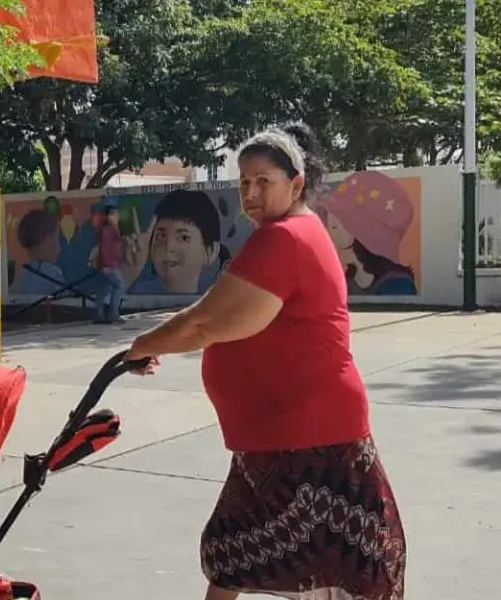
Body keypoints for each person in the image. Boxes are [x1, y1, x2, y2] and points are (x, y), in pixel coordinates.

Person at [123, 123, 406, 600]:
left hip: (309, 442)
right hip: (281, 438)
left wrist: (140, 345)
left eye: (263, 182)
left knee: (304, 566)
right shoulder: (293, 231)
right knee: (235, 554)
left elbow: (206, 322)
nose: (250, 193)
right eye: (244, 182)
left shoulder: (285, 238)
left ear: (296, 184)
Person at [123, 190, 229, 295]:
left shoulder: (218, 297)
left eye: (183, 238)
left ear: (210, 252)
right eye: (161, 236)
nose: (168, 246)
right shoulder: (135, 291)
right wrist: (129, 273)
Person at [11, 209, 64, 295]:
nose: (59, 247)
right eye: (57, 238)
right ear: (46, 239)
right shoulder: (53, 275)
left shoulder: (20, 277)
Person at [92, 204, 125, 324]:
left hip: (106, 265)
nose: (117, 217)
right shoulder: (109, 230)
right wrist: (106, 264)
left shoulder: (106, 229)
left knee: (104, 289)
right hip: (109, 265)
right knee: (119, 286)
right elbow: (105, 249)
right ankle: (113, 313)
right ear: (109, 216)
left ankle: (99, 314)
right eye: (115, 214)